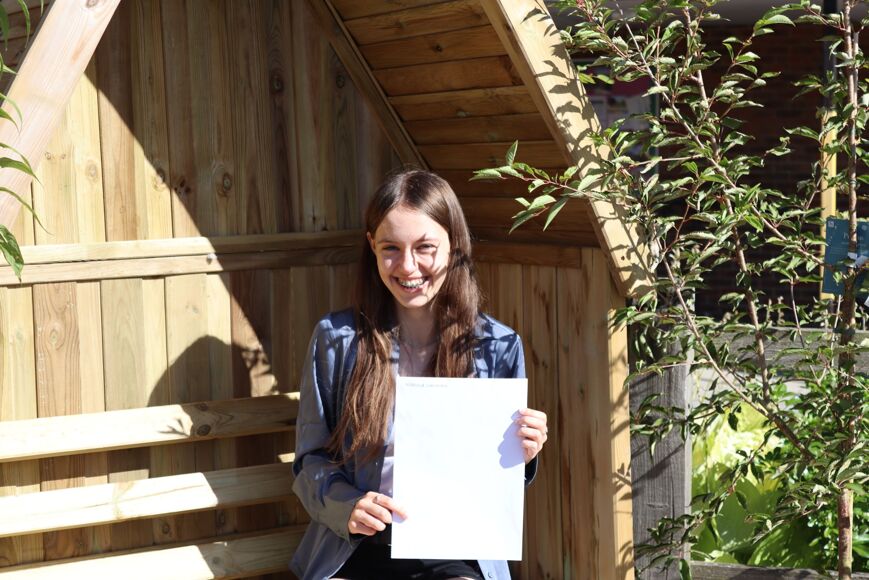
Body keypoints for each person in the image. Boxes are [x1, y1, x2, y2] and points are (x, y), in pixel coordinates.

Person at [291, 169, 549, 580]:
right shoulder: (337, 339)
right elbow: (311, 459)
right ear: (371, 246)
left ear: (454, 245)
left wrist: (524, 453)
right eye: (391, 248)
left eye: (425, 247)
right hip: (355, 547)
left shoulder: (497, 346)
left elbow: (496, 485)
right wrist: (347, 506)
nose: (408, 266)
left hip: (454, 549)